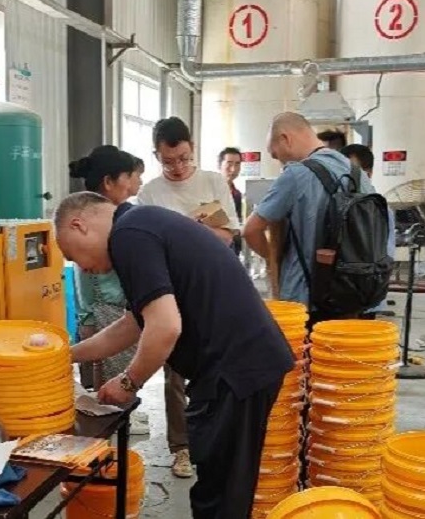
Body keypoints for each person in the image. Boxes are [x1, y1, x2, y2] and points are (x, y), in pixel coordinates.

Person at [54, 191, 295, 519]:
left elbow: (165, 326)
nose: (82, 268)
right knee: (222, 487)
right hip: (241, 365)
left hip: (235, 371)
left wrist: (129, 381)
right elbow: (132, 325)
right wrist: (65, 356)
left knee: (220, 497)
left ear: (78, 225)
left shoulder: (129, 235)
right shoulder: (141, 225)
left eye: (72, 255)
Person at [136, 116, 240, 479]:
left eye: (183, 158)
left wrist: (188, 233)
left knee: (217, 367)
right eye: (169, 161)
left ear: (192, 148)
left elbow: (227, 236)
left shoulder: (213, 182)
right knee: (175, 372)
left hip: (213, 289)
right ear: (156, 155)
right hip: (172, 291)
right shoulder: (150, 194)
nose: (178, 168)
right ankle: (181, 447)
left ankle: (214, 439)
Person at [242, 112, 376, 324]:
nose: (279, 162)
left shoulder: (296, 174)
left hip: (305, 301)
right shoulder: (357, 173)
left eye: (275, 155)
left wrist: (272, 259)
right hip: (354, 295)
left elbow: (250, 230)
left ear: (286, 139)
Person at [69, 145, 149, 435]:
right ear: (109, 181)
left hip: (120, 308)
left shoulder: (116, 217)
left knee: (116, 376)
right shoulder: (96, 222)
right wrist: (87, 319)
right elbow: (84, 276)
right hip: (108, 309)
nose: (134, 182)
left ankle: (119, 418)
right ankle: (115, 423)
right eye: (129, 175)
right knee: (111, 380)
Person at [340, 143, 396, 319]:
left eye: (353, 170)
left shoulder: (376, 209)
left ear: (368, 173)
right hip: (340, 294)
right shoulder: (339, 203)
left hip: (364, 296)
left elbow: (385, 256)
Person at [218, 147, 244, 255]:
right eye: (229, 164)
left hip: (233, 248)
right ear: (220, 165)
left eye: (237, 164)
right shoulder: (210, 191)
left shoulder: (237, 194)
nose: (233, 169)